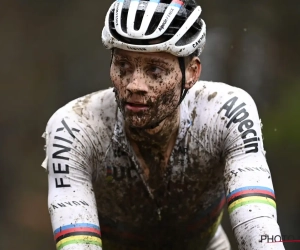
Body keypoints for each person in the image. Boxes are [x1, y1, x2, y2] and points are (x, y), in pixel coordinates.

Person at [41, 0, 285, 249]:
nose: (134, 84)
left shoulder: (227, 113)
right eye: (123, 65)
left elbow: (259, 230)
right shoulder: (74, 127)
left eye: (155, 69)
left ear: (192, 73)